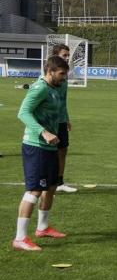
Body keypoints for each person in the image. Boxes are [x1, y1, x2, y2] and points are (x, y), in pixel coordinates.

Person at [12, 56, 70, 251]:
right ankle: (20, 238)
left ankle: (42, 228)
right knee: (34, 190)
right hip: (35, 145)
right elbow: (23, 112)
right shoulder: (40, 88)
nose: (63, 78)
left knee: (51, 186)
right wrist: (43, 132)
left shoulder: (55, 88)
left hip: (49, 147)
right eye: (61, 74)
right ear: (50, 71)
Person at [48, 44, 78, 194]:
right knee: (49, 152)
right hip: (48, 122)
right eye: (64, 55)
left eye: (68, 55)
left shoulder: (64, 81)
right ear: (56, 56)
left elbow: (63, 101)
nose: (67, 57)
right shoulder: (48, 78)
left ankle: (59, 182)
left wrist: (66, 119)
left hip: (60, 121)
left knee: (63, 150)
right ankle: (47, 181)